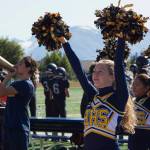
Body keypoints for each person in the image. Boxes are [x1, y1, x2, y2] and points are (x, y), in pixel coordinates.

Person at [58, 37, 136, 150]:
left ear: (113, 76)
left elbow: (118, 65)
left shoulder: (118, 97)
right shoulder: (93, 95)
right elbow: (79, 71)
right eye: (94, 71)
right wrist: (64, 42)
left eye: (100, 72)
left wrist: (121, 38)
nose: (95, 75)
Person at [0, 56, 38, 150]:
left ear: (28, 68)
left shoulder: (26, 84)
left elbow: (1, 92)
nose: (16, 65)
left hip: (18, 129)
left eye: (20, 64)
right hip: (10, 127)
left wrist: (8, 75)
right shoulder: (17, 83)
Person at [128, 74, 150, 150]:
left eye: (137, 84)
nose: (133, 87)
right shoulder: (132, 101)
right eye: (133, 84)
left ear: (147, 87)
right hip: (132, 145)